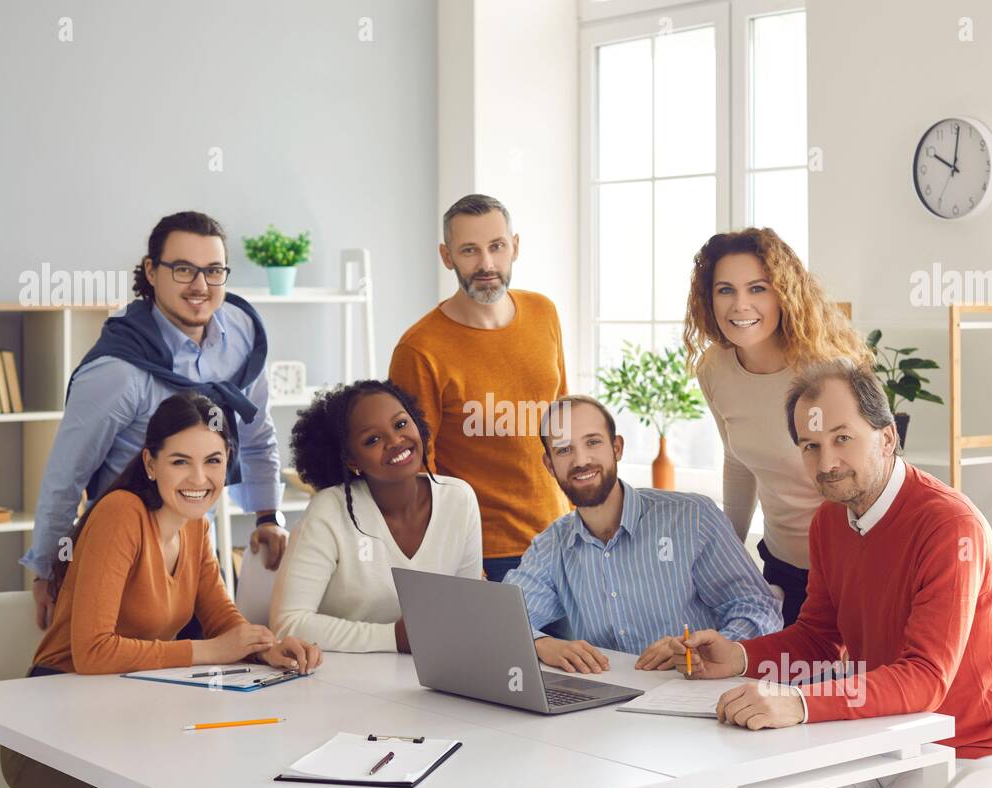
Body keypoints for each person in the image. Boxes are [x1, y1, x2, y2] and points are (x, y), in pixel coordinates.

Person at [678, 360, 992, 788]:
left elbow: (926, 678)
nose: (826, 463)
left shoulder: (949, 527)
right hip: (887, 738)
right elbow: (819, 638)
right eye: (810, 446)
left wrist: (798, 703)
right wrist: (739, 657)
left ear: (887, 438)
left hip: (962, 754)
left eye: (843, 438)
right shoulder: (828, 522)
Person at [1, 393, 321, 788]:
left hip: (130, 729)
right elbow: (92, 654)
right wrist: (212, 651)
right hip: (50, 741)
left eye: (212, 460)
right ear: (150, 464)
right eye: (180, 462)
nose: (198, 478)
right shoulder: (122, 515)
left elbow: (219, 615)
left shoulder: (197, 526)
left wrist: (266, 647)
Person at [22, 211, 289, 632]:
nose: (200, 286)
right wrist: (46, 571)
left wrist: (267, 517)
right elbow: (65, 476)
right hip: (123, 549)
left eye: (214, 270)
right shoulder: (117, 371)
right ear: (151, 271)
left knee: (211, 672)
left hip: (193, 545)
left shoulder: (242, 336)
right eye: (183, 270)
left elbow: (257, 433)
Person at [503, 395, 781, 675]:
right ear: (549, 465)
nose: (581, 460)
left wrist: (704, 650)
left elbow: (758, 609)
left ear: (617, 447)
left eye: (593, 442)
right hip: (604, 705)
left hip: (695, 691)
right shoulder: (551, 546)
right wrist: (542, 644)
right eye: (563, 450)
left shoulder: (692, 518)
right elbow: (500, 621)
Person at [684, 228, 870, 628]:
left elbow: (872, 480)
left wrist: (858, 572)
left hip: (851, 569)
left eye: (758, 288)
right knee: (774, 684)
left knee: (832, 689)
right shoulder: (714, 370)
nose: (740, 305)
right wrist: (727, 561)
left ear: (783, 293)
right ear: (708, 298)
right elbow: (737, 463)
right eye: (725, 290)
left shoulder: (830, 372)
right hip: (780, 567)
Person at [388, 193, 568, 582]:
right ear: (447, 256)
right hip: (485, 553)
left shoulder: (544, 313)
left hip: (562, 539)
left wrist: (585, 521)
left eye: (497, 247)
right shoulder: (419, 349)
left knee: (582, 646)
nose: (486, 264)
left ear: (514, 247)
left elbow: (565, 421)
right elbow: (415, 470)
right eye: (469, 250)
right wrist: (459, 561)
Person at [270, 380, 483, 652]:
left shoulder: (459, 499)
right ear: (351, 460)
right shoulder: (329, 512)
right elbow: (287, 624)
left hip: (429, 673)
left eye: (401, 424)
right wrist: (394, 637)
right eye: (373, 439)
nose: (395, 441)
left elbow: (466, 607)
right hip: (335, 679)